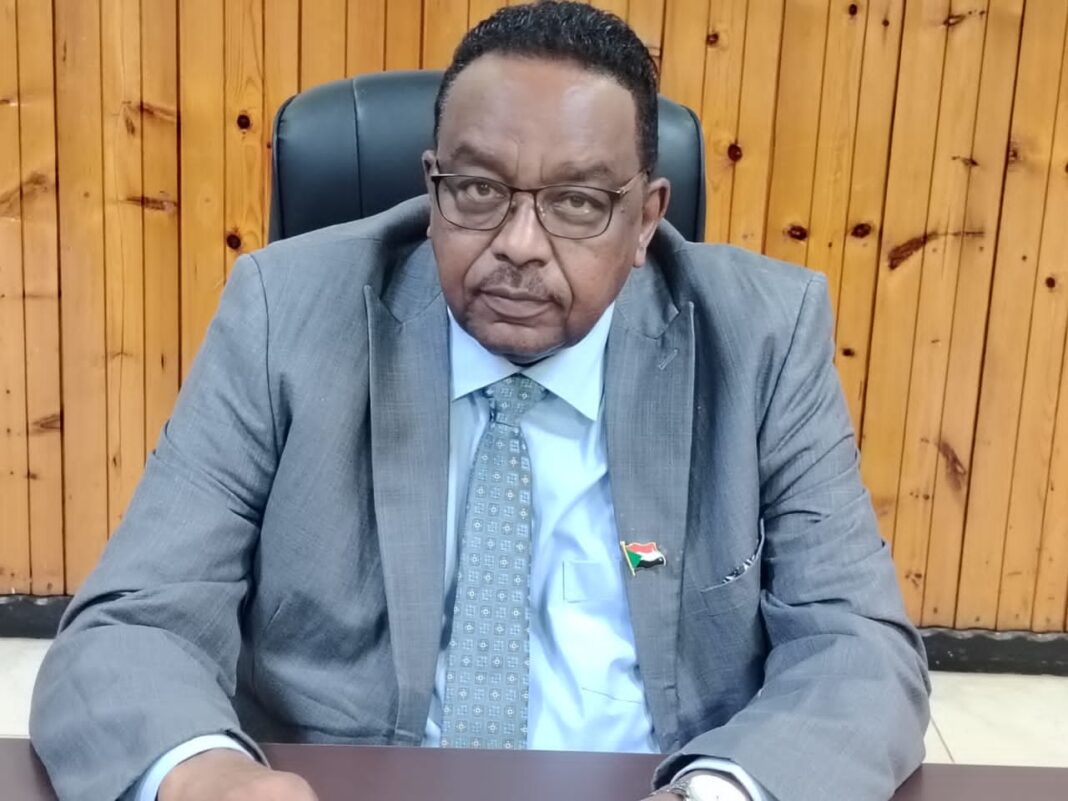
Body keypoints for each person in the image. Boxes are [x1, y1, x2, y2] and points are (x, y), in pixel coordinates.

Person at [29, 3, 929, 801]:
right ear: (432, 187)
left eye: (578, 202)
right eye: (478, 191)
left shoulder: (762, 336)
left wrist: (718, 792)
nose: (520, 244)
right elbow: (129, 626)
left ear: (647, 217)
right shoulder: (284, 315)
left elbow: (859, 648)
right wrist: (209, 776)